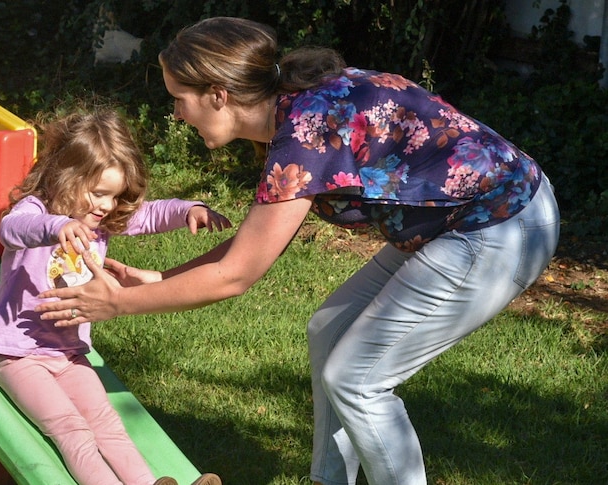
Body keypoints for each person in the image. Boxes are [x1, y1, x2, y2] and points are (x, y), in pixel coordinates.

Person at [34, 17, 561, 485]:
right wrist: (162, 279)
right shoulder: (293, 108)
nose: (175, 115)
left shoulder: (305, 133)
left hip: (500, 226)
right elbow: (257, 244)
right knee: (328, 331)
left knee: (357, 380)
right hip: (461, 220)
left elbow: (235, 276)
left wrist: (117, 303)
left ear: (218, 94)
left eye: (179, 98)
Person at [0, 109, 229, 485]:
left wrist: (187, 209)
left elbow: (151, 214)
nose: (107, 206)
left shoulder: (100, 221)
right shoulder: (38, 210)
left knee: (108, 426)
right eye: (99, 194)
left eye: (114, 195)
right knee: (73, 430)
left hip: (70, 353)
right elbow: (12, 229)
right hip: (18, 356)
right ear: (66, 177)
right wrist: (57, 225)